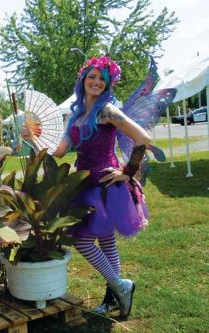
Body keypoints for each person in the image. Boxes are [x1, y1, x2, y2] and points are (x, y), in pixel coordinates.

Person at [53, 56, 150, 319]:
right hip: (84, 185)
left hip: (106, 186)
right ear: (83, 79)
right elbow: (59, 152)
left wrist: (127, 172)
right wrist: (32, 137)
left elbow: (143, 138)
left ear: (107, 85)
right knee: (106, 241)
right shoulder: (75, 116)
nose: (96, 82)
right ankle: (114, 299)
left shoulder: (107, 110)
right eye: (92, 77)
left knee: (82, 241)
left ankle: (121, 286)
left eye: (102, 79)